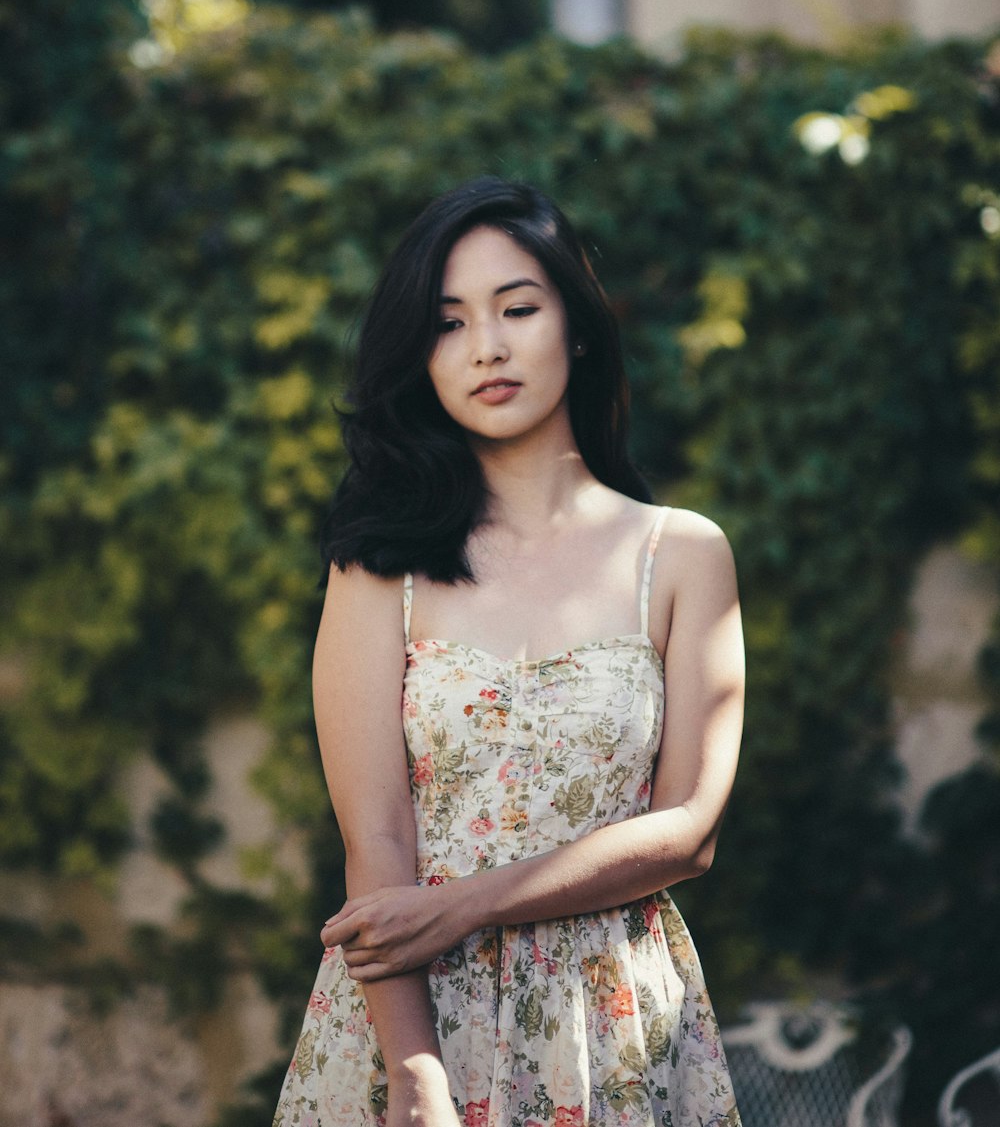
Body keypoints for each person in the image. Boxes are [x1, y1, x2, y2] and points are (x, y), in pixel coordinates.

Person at [272, 177, 745, 1127]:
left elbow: (689, 827)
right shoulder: (380, 568)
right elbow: (379, 843)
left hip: (612, 1025)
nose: (487, 345)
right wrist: (416, 1076)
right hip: (411, 1015)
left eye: (517, 308)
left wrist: (470, 904)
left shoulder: (682, 553)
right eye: (449, 324)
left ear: (574, 324)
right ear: (423, 359)